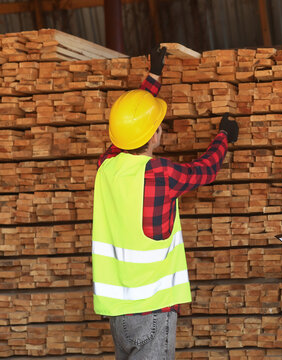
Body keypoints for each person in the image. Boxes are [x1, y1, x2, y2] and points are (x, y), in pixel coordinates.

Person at [91, 46, 238, 359]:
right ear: (155, 135)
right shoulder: (159, 174)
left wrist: (153, 77)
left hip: (118, 314)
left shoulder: (106, 166)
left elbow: (129, 127)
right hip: (152, 311)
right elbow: (206, 170)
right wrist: (224, 136)